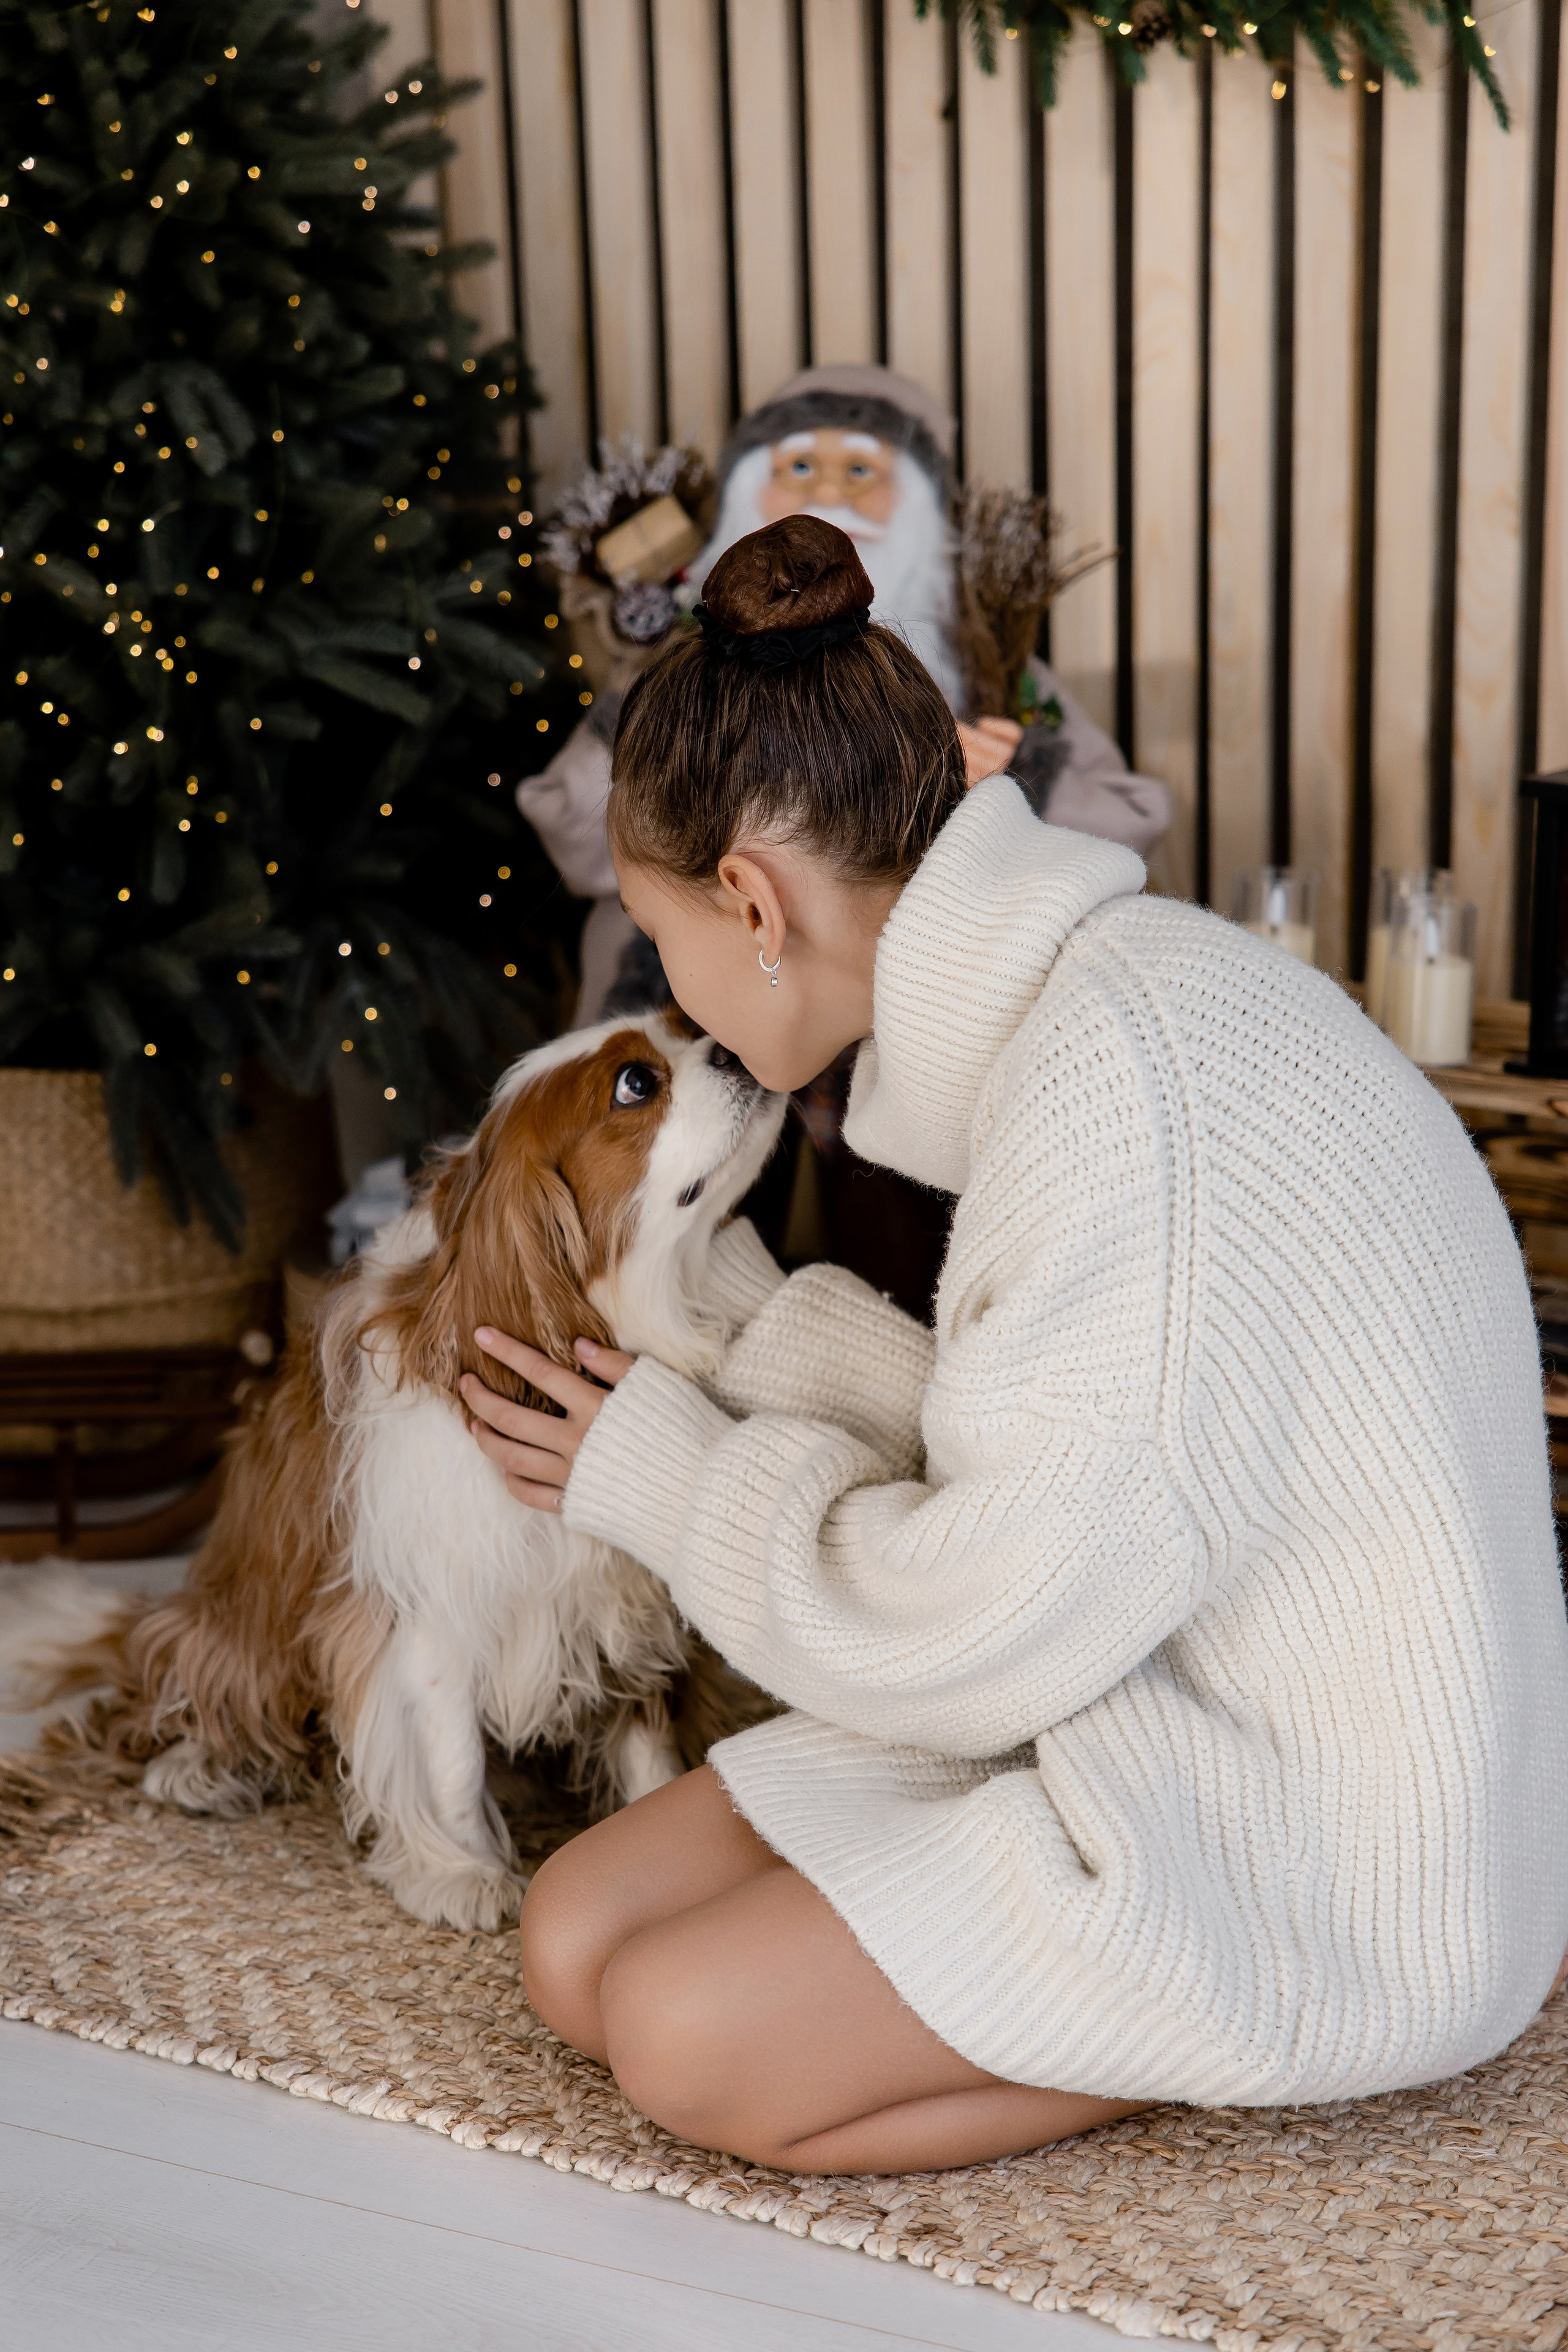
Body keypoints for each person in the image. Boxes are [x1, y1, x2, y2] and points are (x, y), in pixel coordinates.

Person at [463, 516, 1568, 2177]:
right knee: (575, 1937)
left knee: (684, 2037)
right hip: (1158, 1672)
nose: (680, 1009)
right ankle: (1070, 1985)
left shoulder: (1118, 1086)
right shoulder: (1101, 1011)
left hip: (1336, 1836)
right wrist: (753, 1332)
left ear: (752, 904)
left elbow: (986, 1615)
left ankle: (1222, 2024)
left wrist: (678, 1488)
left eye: (668, 946)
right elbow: (1087, 1454)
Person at [520, 366, 1169, 1025]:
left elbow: (1126, 830)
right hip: (683, 1011)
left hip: (904, 1008)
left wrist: (1006, 789)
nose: (828, 491)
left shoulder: (988, 672)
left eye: (861, 472)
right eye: (799, 466)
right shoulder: (681, 666)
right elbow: (577, 836)